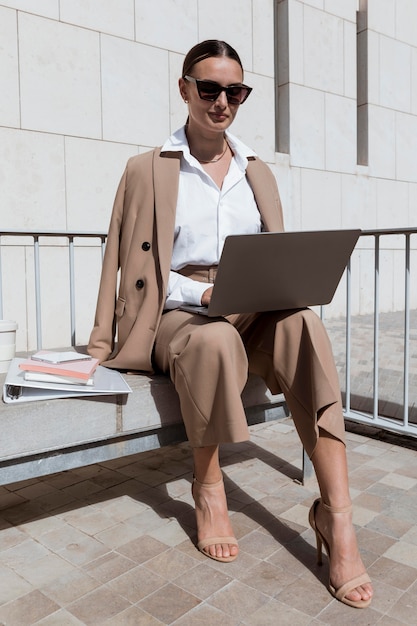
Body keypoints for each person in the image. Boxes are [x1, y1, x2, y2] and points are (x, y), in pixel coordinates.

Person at [88, 40, 373, 609]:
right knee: (214, 336)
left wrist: (274, 286)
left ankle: (338, 517)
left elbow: (273, 251)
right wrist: (199, 294)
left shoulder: (254, 170)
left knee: (305, 329)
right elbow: (132, 263)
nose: (223, 102)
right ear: (184, 88)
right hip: (176, 312)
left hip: (249, 301)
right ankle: (208, 486)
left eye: (235, 92)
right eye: (210, 88)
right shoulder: (147, 169)